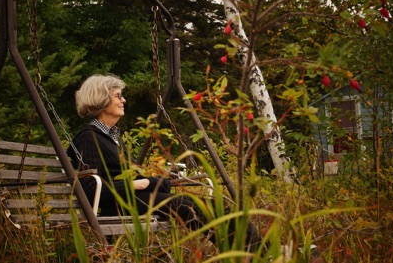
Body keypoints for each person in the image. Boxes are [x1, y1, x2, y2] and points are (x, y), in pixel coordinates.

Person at [67, 74, 261, 250]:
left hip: (135, 199)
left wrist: (155, 180)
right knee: (195, 208)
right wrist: (136, 183)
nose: (123, 100)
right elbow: (89, 188)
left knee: (213, 205)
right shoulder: (88, 138)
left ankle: (256, 252)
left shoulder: (112, 138)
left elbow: (126, 175)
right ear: (101, 99)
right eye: (118, 96)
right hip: (119, 204)